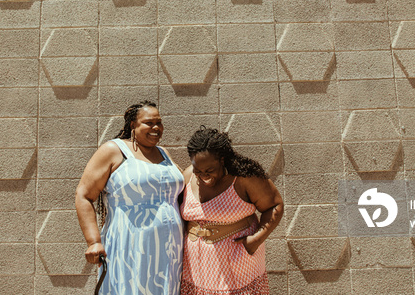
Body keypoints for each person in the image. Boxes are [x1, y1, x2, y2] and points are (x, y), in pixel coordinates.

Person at [75, 101, 184, 294]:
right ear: (133, 125)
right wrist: (93, 242)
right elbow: (83, 195)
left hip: (169, 249)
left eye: (159, 122)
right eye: (149, 123)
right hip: (130, 244)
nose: (156, 128)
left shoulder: (164, 153)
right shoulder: (113, 150)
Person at [180, 127, 283, 295]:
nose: (203, 176)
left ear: (222, 160)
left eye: (209, 170)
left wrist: (256, 240)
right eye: (198, 170)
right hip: (196, 268)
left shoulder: (244, 179)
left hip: (237, 264)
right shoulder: (188, 175)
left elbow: (275, 205)